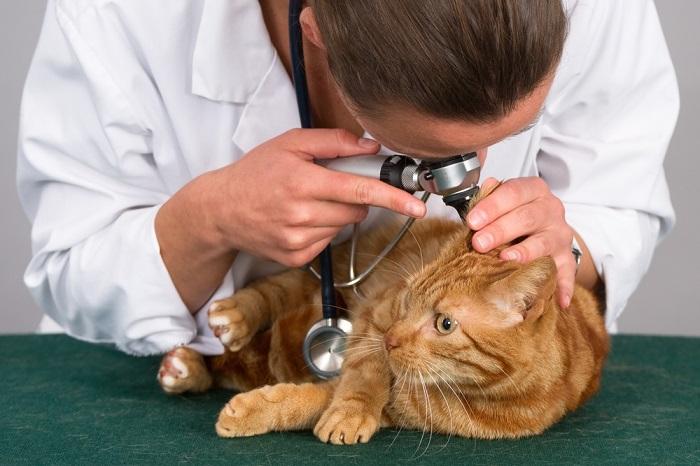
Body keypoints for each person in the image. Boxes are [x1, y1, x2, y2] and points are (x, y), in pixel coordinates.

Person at [17, 0, 677, 356]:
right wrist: (210, 217)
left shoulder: (600, 7)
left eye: (503, 139)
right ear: (315, 34)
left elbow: (618, 202)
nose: (469, 174)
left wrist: (564, 249)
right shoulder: (121, 14)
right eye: (426, 150)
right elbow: (71, 263)